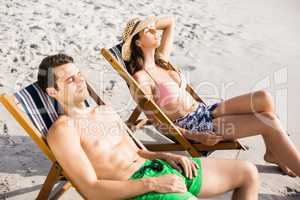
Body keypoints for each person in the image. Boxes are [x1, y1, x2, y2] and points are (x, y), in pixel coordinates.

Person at [37, 54, 259, 200]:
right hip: (135, 188)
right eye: (70, 81)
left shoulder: (104, 111)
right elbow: (90, 189)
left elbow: (136, 151)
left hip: (159, 169)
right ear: (52, 92)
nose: (80, 81)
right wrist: (153, 184)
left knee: (247, 172)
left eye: (79, 75)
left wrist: (166, 156)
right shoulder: (64, 130)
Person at [121, 16, 300, 177]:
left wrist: (147, 25)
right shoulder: (141, 79)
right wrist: (197, 137)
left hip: (205, 111)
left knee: (264, 98)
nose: (154, 31)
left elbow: (169, 22)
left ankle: (272, 152)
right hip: (197, 127)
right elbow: (160, 124)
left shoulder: (162, 60)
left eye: (153, 28)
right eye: (148, 31)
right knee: (268, 120)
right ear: (137, 43)